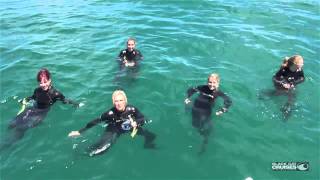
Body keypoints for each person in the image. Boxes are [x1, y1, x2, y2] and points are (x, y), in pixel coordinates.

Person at [1, 68, 79, 149]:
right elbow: (33, 97)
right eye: (40, 83)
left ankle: (6, 145)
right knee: (13, 123)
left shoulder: (55, 93)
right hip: (32, 109)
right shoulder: (37, 90)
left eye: (45, 82)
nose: (43, 85)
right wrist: (25, 100)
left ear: (49, 80)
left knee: (21, 128)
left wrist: (76, 104)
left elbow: (64, 100)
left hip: (41, 114)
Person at [68, 90, 156, 156]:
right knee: (103, 148)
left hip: (129, 125)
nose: (119, 103)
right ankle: (82, 153)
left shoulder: (132, 109)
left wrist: (136, 122)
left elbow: (143, 118)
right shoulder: (109, 114)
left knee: (151, 135)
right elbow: (95, 121)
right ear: (113, 102)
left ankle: (148, 146)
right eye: (116, 101)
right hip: (114, 128)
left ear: (125, 101)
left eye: (121, 100)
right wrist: (79, 131)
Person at [185, 73, 232, 154]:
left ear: (218, 83)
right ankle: (195, 141)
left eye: (214, 82)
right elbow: (191, 89)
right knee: (195, 126)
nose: (211, 84)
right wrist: (188, 98)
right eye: (210, 82)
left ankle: (204, 144)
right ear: (207, 82)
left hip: (206, 112)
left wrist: (222, 110)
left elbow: (228, 101)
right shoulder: (202, 87)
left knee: (206, 130)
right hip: (195, 109)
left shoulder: (218, 92)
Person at [271, 55, 305, 119]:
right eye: (301, 64)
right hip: (281, 86)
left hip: (291, 86)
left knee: (292, 98)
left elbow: (302, 78)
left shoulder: (299, 70)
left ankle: (287, 110)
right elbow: (275, 78)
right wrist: (282, 83)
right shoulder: (284, 70)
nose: (303, 65)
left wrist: (294, 83)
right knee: (280, 92)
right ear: (294, 64)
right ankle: (269, 93)